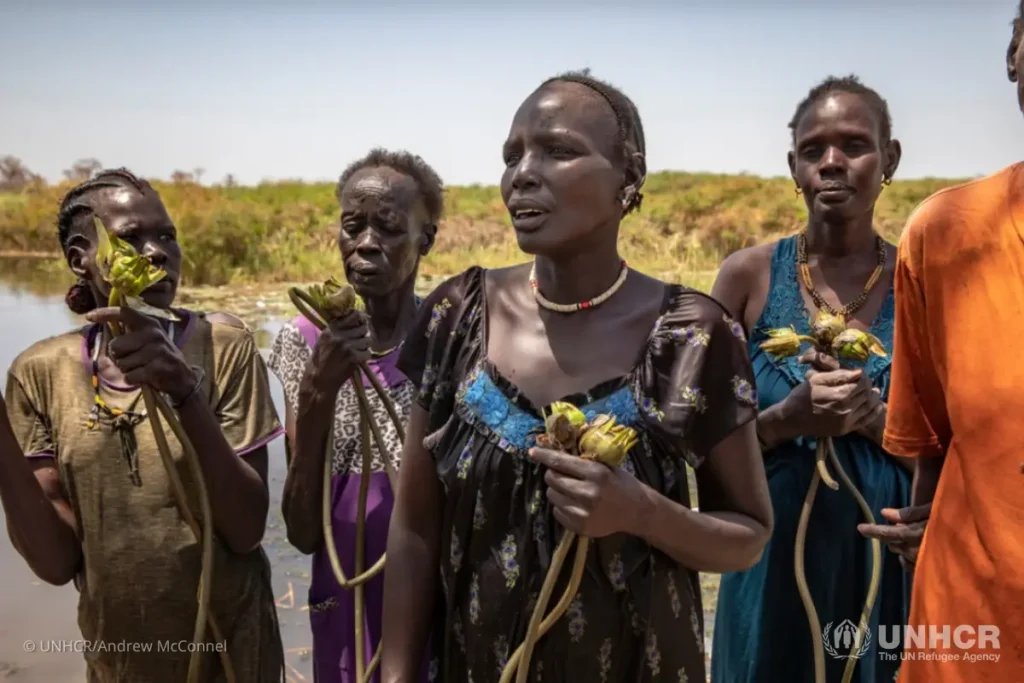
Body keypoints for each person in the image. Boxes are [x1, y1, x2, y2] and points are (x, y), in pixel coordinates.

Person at [378, 69, 774, 683]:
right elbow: (414, 527)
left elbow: (747, 536)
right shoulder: (457, 316)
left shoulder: (693, 334)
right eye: (512, 156)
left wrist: (641, 512)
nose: (523, 173)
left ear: (629, 177)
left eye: (558, 150)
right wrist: (398, 674)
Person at [0, 168, 286, 681]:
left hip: (232, 657)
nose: (157, 252)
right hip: (121, 661)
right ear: (79, 259)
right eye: (131, 238)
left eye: (167, 237)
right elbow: (56, 563)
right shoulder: (40, 373)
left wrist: (184, 391)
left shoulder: (224, 348)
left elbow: (245, 530)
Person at [708, 75, 912, 683]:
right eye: (813, 149)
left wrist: (878, 422)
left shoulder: (924, 284)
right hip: (768, 564)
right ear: (793, 167)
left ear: (889, 160)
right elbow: (700, 447)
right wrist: (784, 420)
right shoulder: (746, 279)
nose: (832, 163)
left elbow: (959, 446)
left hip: (881, 563)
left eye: (854, 145)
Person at [856, 5, 1024, 680]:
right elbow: (932, 435)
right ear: (1015, 63)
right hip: (972, 627)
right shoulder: (947, 233)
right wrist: (923, 526)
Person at [267, 148, 442, 683]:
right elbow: (300, 530)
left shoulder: (449, 340)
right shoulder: (305, 342)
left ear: (425, 241)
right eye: (353, 226)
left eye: (388, 227)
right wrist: (319, 390)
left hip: (431, 593)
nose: (366, 243)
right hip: (340, 593)